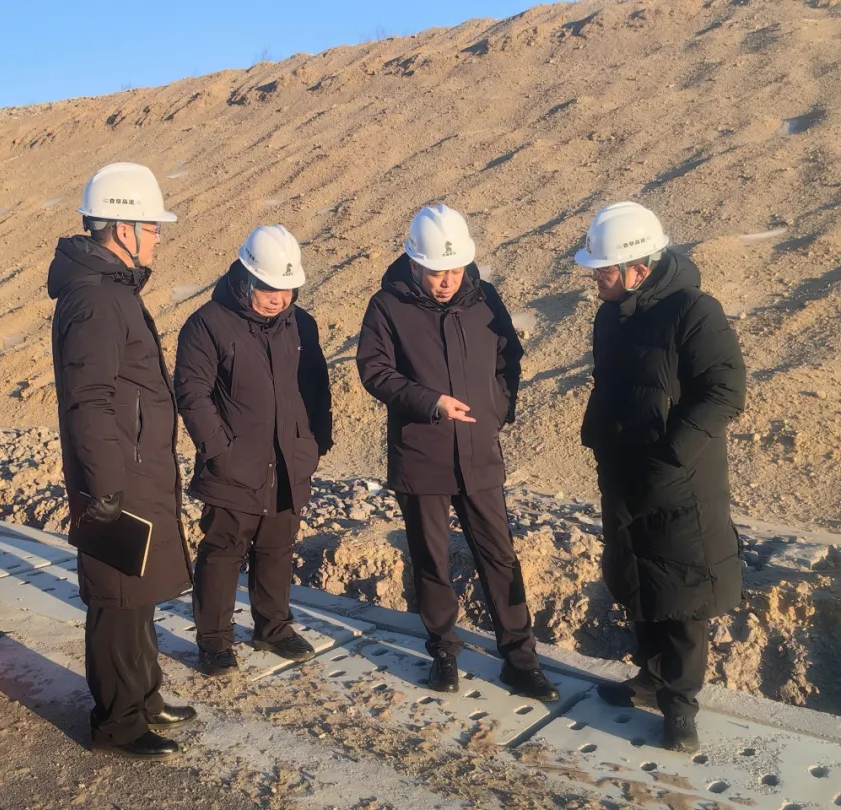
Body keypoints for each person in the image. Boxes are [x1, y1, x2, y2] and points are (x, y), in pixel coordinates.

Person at [356, 204, 559, 701]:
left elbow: (509, 357)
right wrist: (430, 402)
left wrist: (497, 410)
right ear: (414, 263)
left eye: (454, 269)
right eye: (435, 272)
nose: (446, 281)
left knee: (500, 556)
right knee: (432, 558)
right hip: (421, 452)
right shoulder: (387, 306)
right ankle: (444, 651)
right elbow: (375, 371)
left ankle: (520, 660)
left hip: (479, 452)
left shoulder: (484, 298)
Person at [576, 201, 747, 753]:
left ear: (639, 269)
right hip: (624, 472)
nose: (596, 280)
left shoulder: (694, 311)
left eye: (603, 270)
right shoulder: (612, 313)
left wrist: (673, 454)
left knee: (681, 592)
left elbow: (724, 390)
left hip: (680, 480)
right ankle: (650, 679)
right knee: (638, 580)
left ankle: (681, 706)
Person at [48, 162, 195, 760]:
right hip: (118, 478)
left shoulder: (111, 293)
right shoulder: (96, 300)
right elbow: (90, 399)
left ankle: (144, 698)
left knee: (139, 596)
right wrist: (106, 486)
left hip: (135, 469)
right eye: (152, 227)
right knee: (116, 600)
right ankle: (118, 723)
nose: (157, 237)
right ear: (124, 229)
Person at [174, 225, 332, 676]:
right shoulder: (208, 324)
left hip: (289, 461)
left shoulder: (301, 325)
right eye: (269, 288)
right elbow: (191, 393)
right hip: (233, 466)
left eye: (287, 289)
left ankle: (273, 628)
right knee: (223, 552)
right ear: (245, 277)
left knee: (277, 548)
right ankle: (214, 641)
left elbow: (317, 388)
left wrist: (314, 443)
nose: (278, 299)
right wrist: (219, 451)